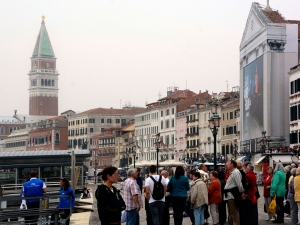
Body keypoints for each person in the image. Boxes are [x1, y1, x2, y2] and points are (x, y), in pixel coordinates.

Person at [223, 160, 245, 225]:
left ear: (232, 164)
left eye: (228, 164)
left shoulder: (236, 172)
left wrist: (242, 192)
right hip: (229, 195)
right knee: (231, 213)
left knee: (234, 212)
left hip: (232, 195)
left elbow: (239, 184)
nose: (226, 165)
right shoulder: (232, 172)